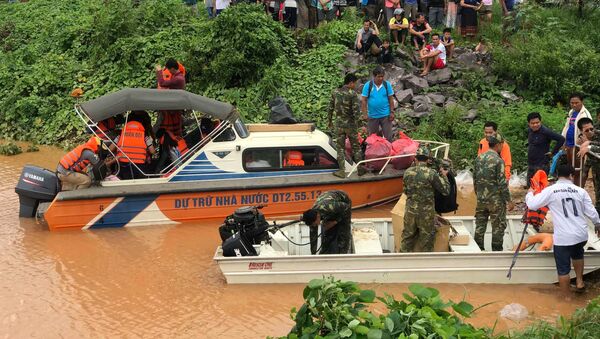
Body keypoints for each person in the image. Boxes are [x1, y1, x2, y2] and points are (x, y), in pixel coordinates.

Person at [525, 164, 600, 297]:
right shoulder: (580, 191)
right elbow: (592, 213)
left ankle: (566, 299)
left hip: (563, 237)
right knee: (578, 255)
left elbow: (532, 204)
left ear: (558, 176)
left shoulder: (551, 190)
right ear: (571, 176)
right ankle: (579, 281)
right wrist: (597, 224)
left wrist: (530, 193)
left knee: (563, 269)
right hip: (581, 235)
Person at [400, 145, 450, 252]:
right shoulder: (431, 173)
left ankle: (402, 263)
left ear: (416, 159)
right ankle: (426, 265)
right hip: (426, 213)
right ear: (428, 160)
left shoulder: (407, 172)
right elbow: (445, 191)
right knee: (427, 240)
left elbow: (405, 191)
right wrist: (444, 175)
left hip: (410, 211)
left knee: (407, 238)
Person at [473, 134, 513, 251]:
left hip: (481, 199)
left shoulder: (478, 159)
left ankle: (478, 251)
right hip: (496, 201)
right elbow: (502, 183)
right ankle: (496, 252)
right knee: (498, 227)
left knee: (480, 226)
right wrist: (509, 200)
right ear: (498, 145)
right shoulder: (498, 160)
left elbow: (475, 180)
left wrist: (479, 195)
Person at [328, 73, 365, 178]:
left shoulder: (335, 92)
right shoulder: (352, 94)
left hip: (339, 125)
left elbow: (330, 108)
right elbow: (356, 111)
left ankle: (341, 171)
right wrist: (361, 125)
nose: (356, 85)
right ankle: (360, 169)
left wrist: (329, 121)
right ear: (351, 83)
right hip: (351, 125)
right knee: (356, 147)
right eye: (355, 83)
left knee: (340, 148)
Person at [303, 190, 353, 255]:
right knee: (327, 235)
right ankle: (324, 255)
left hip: (343, 204)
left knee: (343, 234)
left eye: (315, 224)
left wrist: (335, 221)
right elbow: (313, 238)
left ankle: (343, 254)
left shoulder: (328, 207)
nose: (315, 225)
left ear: (318, 216)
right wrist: (313, 255)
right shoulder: (312, 217)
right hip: (329, 209)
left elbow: (347, 207)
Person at [113, 111, 157, 180]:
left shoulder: (121, 134)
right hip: (139, 167)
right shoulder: (144, 135)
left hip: (123, 166)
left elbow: (110, 148)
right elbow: (152, 151)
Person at [561, 92, 592, 187]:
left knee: (579, 170)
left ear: (582, 102)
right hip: (569, 145)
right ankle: (572, 188)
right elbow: (567, 127)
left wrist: (582, 143)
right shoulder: (572, 112)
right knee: (571, 169)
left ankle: (578, 190)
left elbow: (588, 132)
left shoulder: (585, 114)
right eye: (572, 103)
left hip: (578, 146)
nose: (574, 105)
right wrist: (563, 141)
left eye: (576, 102)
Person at [527, 112, 565, 186]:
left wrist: (553, 152)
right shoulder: (530, 131)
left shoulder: (545, 131)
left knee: (541, 188)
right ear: (529, 123)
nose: (535, 125)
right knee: (531, 187)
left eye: (537, 122)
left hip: (542, 164)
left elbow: (561, 139)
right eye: (532, 123)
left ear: (540, 122)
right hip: (531, 164)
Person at [361, 66, 395, 142]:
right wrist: (365, 114)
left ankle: (388, 152)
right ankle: (374, 153)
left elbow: (391, 99)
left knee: (388, 137)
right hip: (372, 116)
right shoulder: (368, 85)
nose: (381, 79)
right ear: (374, 76)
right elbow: (364, 100)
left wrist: (392, 112)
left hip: (385, 115)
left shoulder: (387, 85)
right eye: (379, 77)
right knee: (372, 138)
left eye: (382, 77)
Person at [155, 59, 186, 138]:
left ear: (172, 68)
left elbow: (162, 83)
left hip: (175, 107)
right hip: (174, 106)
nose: (168, 71)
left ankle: (154, 135)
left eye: (169, 69)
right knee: (178, 124)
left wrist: (159, 71)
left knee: (176, 127)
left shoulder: (178, 79)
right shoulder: (177, 76)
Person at [577, 118, 600, 214]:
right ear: (582, 131)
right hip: (597, 171)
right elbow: (588, 162)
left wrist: (589, 145)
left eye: (591, 129)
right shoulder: (581, 139)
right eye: (587, 130)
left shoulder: (598, 134)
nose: (590, 132)